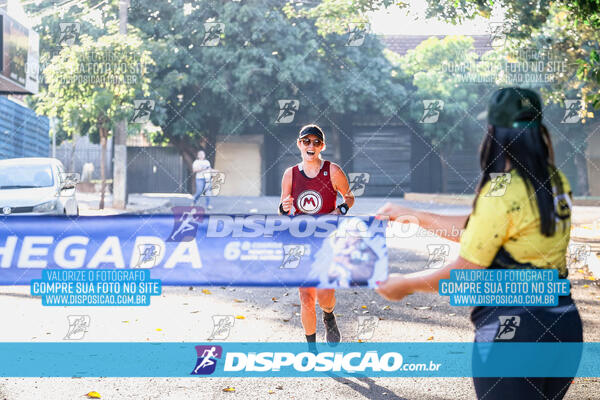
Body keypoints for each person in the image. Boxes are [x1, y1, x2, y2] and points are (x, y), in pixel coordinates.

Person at [375, 88, 582, 400]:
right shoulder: (553, 179)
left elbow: (466, 268)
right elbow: (484, 228)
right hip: (564, 326)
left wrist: (404, 284)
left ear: (495, 133)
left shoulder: (502, 191)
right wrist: (413, 216)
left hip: (513, 331)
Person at [279, 124, 355, 347]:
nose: (310, 145)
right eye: (306, 141)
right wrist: (284, 207)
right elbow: (284, 208)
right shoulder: (290, 174)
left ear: (322, 146)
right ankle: (311, 347)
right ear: (299, 144)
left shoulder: (332, 171)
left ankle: (329, 315)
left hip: (326, 241)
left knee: (324, 295)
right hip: (301, 241)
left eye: (315, 142)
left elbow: (349, 197)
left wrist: (340, 209)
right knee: (305, 296)